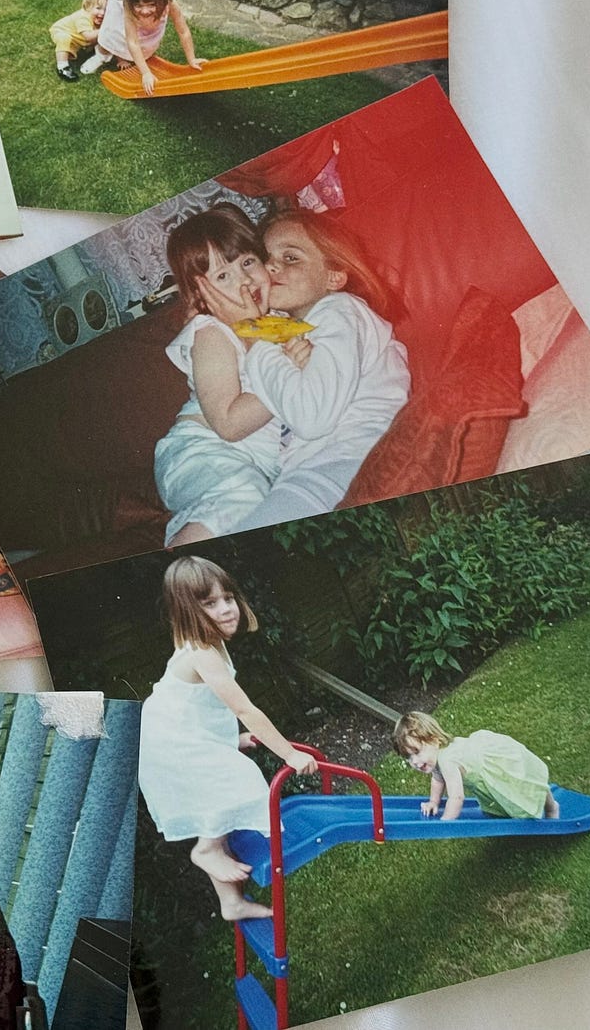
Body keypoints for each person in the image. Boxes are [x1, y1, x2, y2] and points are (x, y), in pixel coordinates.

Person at [204, 209, 411, 531]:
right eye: (266, 257)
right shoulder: (298, 327)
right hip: (322, 471)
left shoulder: (340, 309)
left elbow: (311, 417)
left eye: (291, 258)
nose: (271, 266)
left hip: (345, 466)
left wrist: (257, 338)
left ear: (333, 277)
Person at [136, 556, 317, 921]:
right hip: (167, 745)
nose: (226, 609)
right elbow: (244, 708)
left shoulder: (207, 643)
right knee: (238, 779)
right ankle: (206, 851)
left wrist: (232, 741)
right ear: (187, 611)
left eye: (228, 598)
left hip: (175, 736)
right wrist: (289, 755)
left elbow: (196, 710)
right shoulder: (202, 652)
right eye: (209, 603)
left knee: (216, 796)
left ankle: (231, 903)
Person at [153, 204, 312, 546]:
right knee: (245, 495)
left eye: (247, 262)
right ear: (201, 295)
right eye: (223, 276)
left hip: (253, 465)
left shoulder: (280, 317)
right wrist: (285, 376)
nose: (243, 280)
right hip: (200, 452)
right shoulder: (211, 334)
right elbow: (228, 424)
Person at [393, 711, 560, 821]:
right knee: (522, 786)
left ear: (434, 739)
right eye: (409, 756)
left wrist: (445, 823)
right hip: (483, 762)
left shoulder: (447, 761)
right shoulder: (436, 758)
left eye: (417, 752)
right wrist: (433, 802)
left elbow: (456, 797)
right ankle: (550, 805)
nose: (414, 761)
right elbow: (437, 779)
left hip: (497, 764)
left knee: (524, 784)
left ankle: (551, 807)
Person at [82, 0, 205, 93]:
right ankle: (101, 54)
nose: (145, 11)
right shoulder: (128, 7)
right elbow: (133, 42)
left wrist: (192, 59)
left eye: (151, 4)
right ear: (130, 3)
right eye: (139, 6)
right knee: (114, 32)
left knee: (145, 41)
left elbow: (183, 31)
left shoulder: (169, 3)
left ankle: (123, 56)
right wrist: (146, 73)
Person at [49, 0, 109, 82]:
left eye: (106, 9)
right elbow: (88, 36)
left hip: (77, 37)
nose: (102, 13)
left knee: (72, 52)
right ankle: (62, 67)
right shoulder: (83, 17)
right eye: (98, 8)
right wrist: (105, 30)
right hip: (61, 31)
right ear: (88, 6)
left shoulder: (100, 18)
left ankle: (75, 51)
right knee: (64, 39)